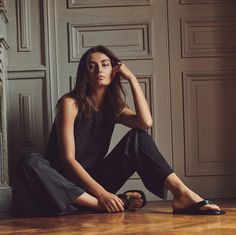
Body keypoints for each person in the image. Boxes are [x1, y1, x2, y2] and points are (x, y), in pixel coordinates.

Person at [17, 45, 225, 216]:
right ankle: (102, 206)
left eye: (105, 64)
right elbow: (68, 161)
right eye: (92, 66)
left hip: (94, 183)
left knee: (138, 138)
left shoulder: (113, 108)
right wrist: (103, 196)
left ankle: (181, 194)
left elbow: (145, 123)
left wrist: (132, 79)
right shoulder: (70, 103)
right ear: (85, 74)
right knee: (29, 161)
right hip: (60, 186)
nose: (99, 70)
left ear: (114, 70)